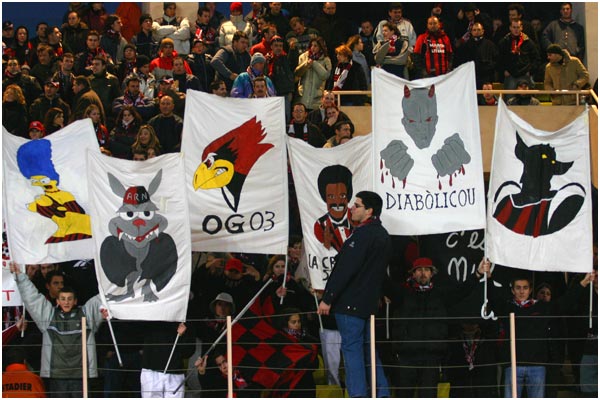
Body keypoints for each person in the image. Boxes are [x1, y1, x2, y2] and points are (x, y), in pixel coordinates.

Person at [317, 191, 391, 397]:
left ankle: (358, 395)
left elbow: (345, 269)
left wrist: (328, 298)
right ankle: (382, 393)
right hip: (369, 304)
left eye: (357, 205)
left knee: (352, 352)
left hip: (350, 305)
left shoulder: (362, 235)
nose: (351, 208)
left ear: (369, 211)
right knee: (369, 351)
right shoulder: (383, 234)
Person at [388, 257, 491, 398]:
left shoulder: (440, 295)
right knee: (403, 395)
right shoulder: (403, 294)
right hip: (406, 356)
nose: (423, 273)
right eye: (419, 270)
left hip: (431, 357)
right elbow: (384, 284)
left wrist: (477, 273)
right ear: (413, 273)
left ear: (432, 273)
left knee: (428, 395)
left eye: (426, 270)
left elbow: (462, 290)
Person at [490, 271, 596, 398]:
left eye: (525, 288)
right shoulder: (506, 307)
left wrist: (583, 282)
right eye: (518, 288)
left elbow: (564, 303)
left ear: (530, 290)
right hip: (512, 366)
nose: (522, 291)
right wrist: (488, 277)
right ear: (512, 290)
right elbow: (492, 297)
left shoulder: (541, 307)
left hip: (537, 367)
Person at [9, 262, 105, 398]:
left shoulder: (87, 314)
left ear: (75, 301)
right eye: (63, 299)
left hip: (81, 376)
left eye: (70, 299)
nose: (66, 302)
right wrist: (20, 275)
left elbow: (106, 295)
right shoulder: (48, 315)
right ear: (57, 301)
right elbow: (32, 298)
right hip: (57, 376)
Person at [139, 321, 194, 398]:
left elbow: (188, 352)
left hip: (174, 372)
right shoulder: (147, 319)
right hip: (150, 371)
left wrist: (183, 335)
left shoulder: (185, 320)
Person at [497, 19, 540, 99]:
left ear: (521, 28)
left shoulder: (528, 42)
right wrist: (504, 70)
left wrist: (530, 71)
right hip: (510, 75)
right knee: (509, 99)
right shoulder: (504, 42)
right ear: (510, 28)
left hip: (525, 74)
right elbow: (499, 59)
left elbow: (536, 58)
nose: (516, 29)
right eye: (514, 27)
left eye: (518, 27)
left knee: (528, 99)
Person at [373, 2, 416, 78]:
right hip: (385, 65)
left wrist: (408, 56)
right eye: (395, 12)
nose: (397, 14)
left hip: (403, 64)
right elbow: (377, 42)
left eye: (399, 12)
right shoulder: (382, 25)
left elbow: (413, 43)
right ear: (390, 13)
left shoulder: (408, 25)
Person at [454, 21, 499, 89]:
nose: (476, 32)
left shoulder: (490, 45)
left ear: (483, 31)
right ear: (471, 32)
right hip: (471, 77)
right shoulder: (466, 46)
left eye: (478, 30)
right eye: (474, 30)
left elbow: (496, 60)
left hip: (486, 78)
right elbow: (461, 61)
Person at [294, 37, 331, 111]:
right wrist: (306, 65)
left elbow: (325, 75)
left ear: (320, 47)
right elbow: (297, 73)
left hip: (317, 99)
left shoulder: (326, 60)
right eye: (311, 45)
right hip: (302, 97)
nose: (312, 48)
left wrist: (314, 64)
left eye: (315, 46)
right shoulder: (303, 57)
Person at [266, 35, 294, 121]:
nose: (278, 48)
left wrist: (290, 91)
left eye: (280, 46)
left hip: (285, 93)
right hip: (271, 93)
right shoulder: (267, 59)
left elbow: (290, 75)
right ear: (271, 46)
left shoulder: (286, 58)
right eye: (276, 45)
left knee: (285, 117)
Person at [88, 55, 121, 128]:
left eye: (97, 64)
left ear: (103, 66)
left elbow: (117, 99)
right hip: (93, 117)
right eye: (93, 64)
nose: (94, 67)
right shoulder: (89, 80)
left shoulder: (112, 80)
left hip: (109, 117)